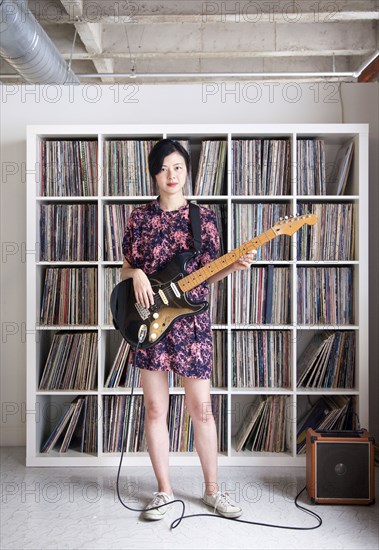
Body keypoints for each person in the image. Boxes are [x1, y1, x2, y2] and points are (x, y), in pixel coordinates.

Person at [121, 139, 256, 521]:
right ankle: (163, 491)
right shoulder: (140, 219)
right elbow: (126, 268)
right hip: (151, 321)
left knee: (203, 410)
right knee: (154, 409)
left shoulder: (205, 218)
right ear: (154, 174)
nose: (172, 175)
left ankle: (212, 491)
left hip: (192, 324)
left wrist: (236, 265)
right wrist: (139, 274)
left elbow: (210, 274)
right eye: (164, 168)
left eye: (178, 167)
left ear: (187, 171)